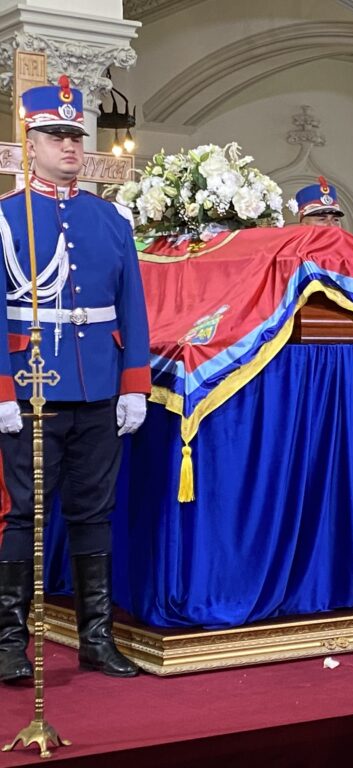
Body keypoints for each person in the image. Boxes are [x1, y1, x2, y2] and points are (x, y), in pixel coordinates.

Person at [0, 77, 150, 683]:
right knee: (23, 516)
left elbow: (132, 304)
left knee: (94, 513)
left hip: (99, 388)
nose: (69, 146)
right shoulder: (6, 218)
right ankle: (9, 643)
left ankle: (97, 639)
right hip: (32, 386)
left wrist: (133, 383)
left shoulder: (111, 219)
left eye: (75, 136)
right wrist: (2, 390)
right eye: (56, 135)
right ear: (31, 142)